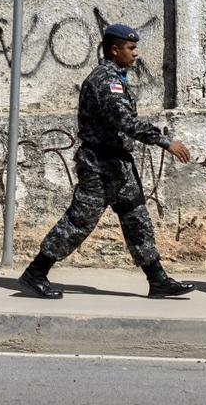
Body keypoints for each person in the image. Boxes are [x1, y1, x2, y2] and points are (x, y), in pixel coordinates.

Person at [19, 23, 195, 299]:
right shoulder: (105, 80)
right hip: (99, 166)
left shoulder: (117, 78)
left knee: (137, 221)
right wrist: (164, 142)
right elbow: (125, 121)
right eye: (131, 48)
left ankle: (157, 279)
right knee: (80, 221)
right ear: (114, 50)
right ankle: (36, 272)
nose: (135, 53)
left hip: (119, 165)